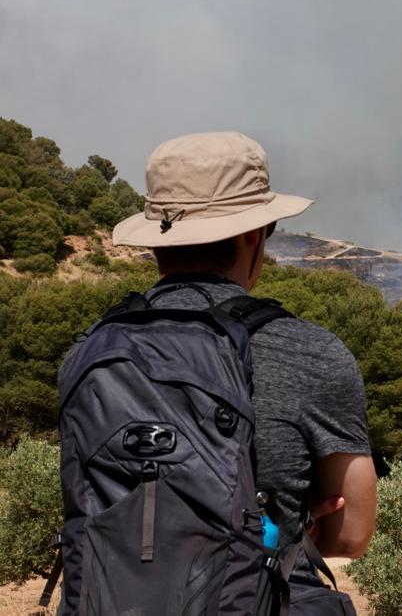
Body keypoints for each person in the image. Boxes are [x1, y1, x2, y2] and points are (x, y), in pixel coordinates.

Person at [110, 131, 376, 592]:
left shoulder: (95, 349)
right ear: (256, 234)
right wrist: (291, 520)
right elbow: (351, 536)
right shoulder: (308, 351)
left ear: (156, 238)